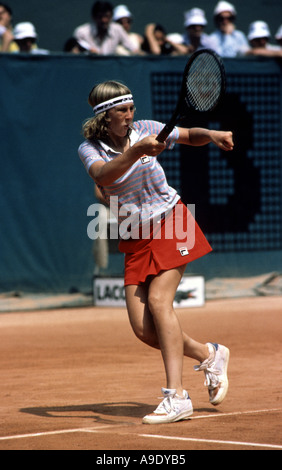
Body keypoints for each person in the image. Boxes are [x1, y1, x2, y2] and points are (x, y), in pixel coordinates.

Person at [78, 80, 233, 424]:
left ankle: (176, 396)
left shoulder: (147, 128)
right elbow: (104, 174)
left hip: (170, 221)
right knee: (144, 329)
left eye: (131, 108)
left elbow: (188, 134)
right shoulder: (89, 150)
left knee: (161, 303)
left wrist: (211, 133)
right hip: (135, 236)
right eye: (122, 110)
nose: (130, 116)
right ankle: (210, 353)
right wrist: (138, 151)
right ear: (105, 116)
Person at [73, 1, 138, 55]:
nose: (104, 20)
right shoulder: (81, 32)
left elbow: (134, 49)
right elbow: (75, 53)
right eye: (100, 17)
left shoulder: (117, 30)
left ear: (111, 16)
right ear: (94, 17)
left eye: (107, 16)